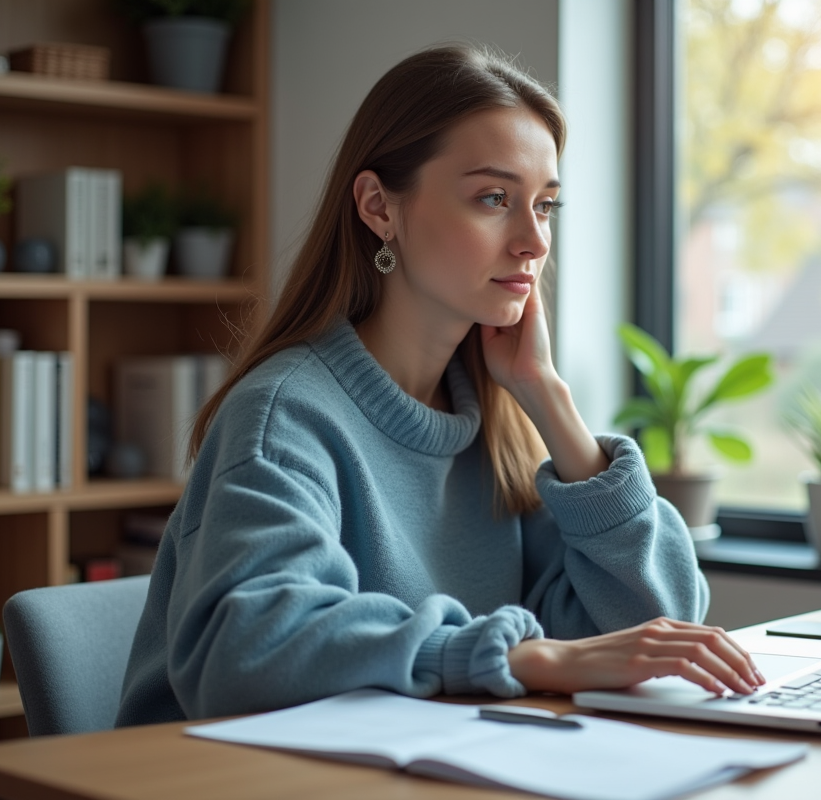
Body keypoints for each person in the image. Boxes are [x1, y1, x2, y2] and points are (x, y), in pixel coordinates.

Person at [115, 44, 764, 727]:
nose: (535, 241)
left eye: (545, 206)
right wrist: (521, 658)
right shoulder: (285, 416)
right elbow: (248, 652)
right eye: (494, 198)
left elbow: (659, 626)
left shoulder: (499, 421)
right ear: (379, 207)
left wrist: (548, 397)